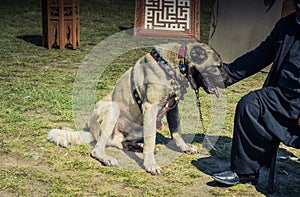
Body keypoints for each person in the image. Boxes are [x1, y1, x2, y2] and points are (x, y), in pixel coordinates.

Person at [211, 0, 300, 186]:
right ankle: (246, 171)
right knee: (250, 105)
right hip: (282, 96)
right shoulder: (287, 25)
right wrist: (225, 75)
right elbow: (260, 55)